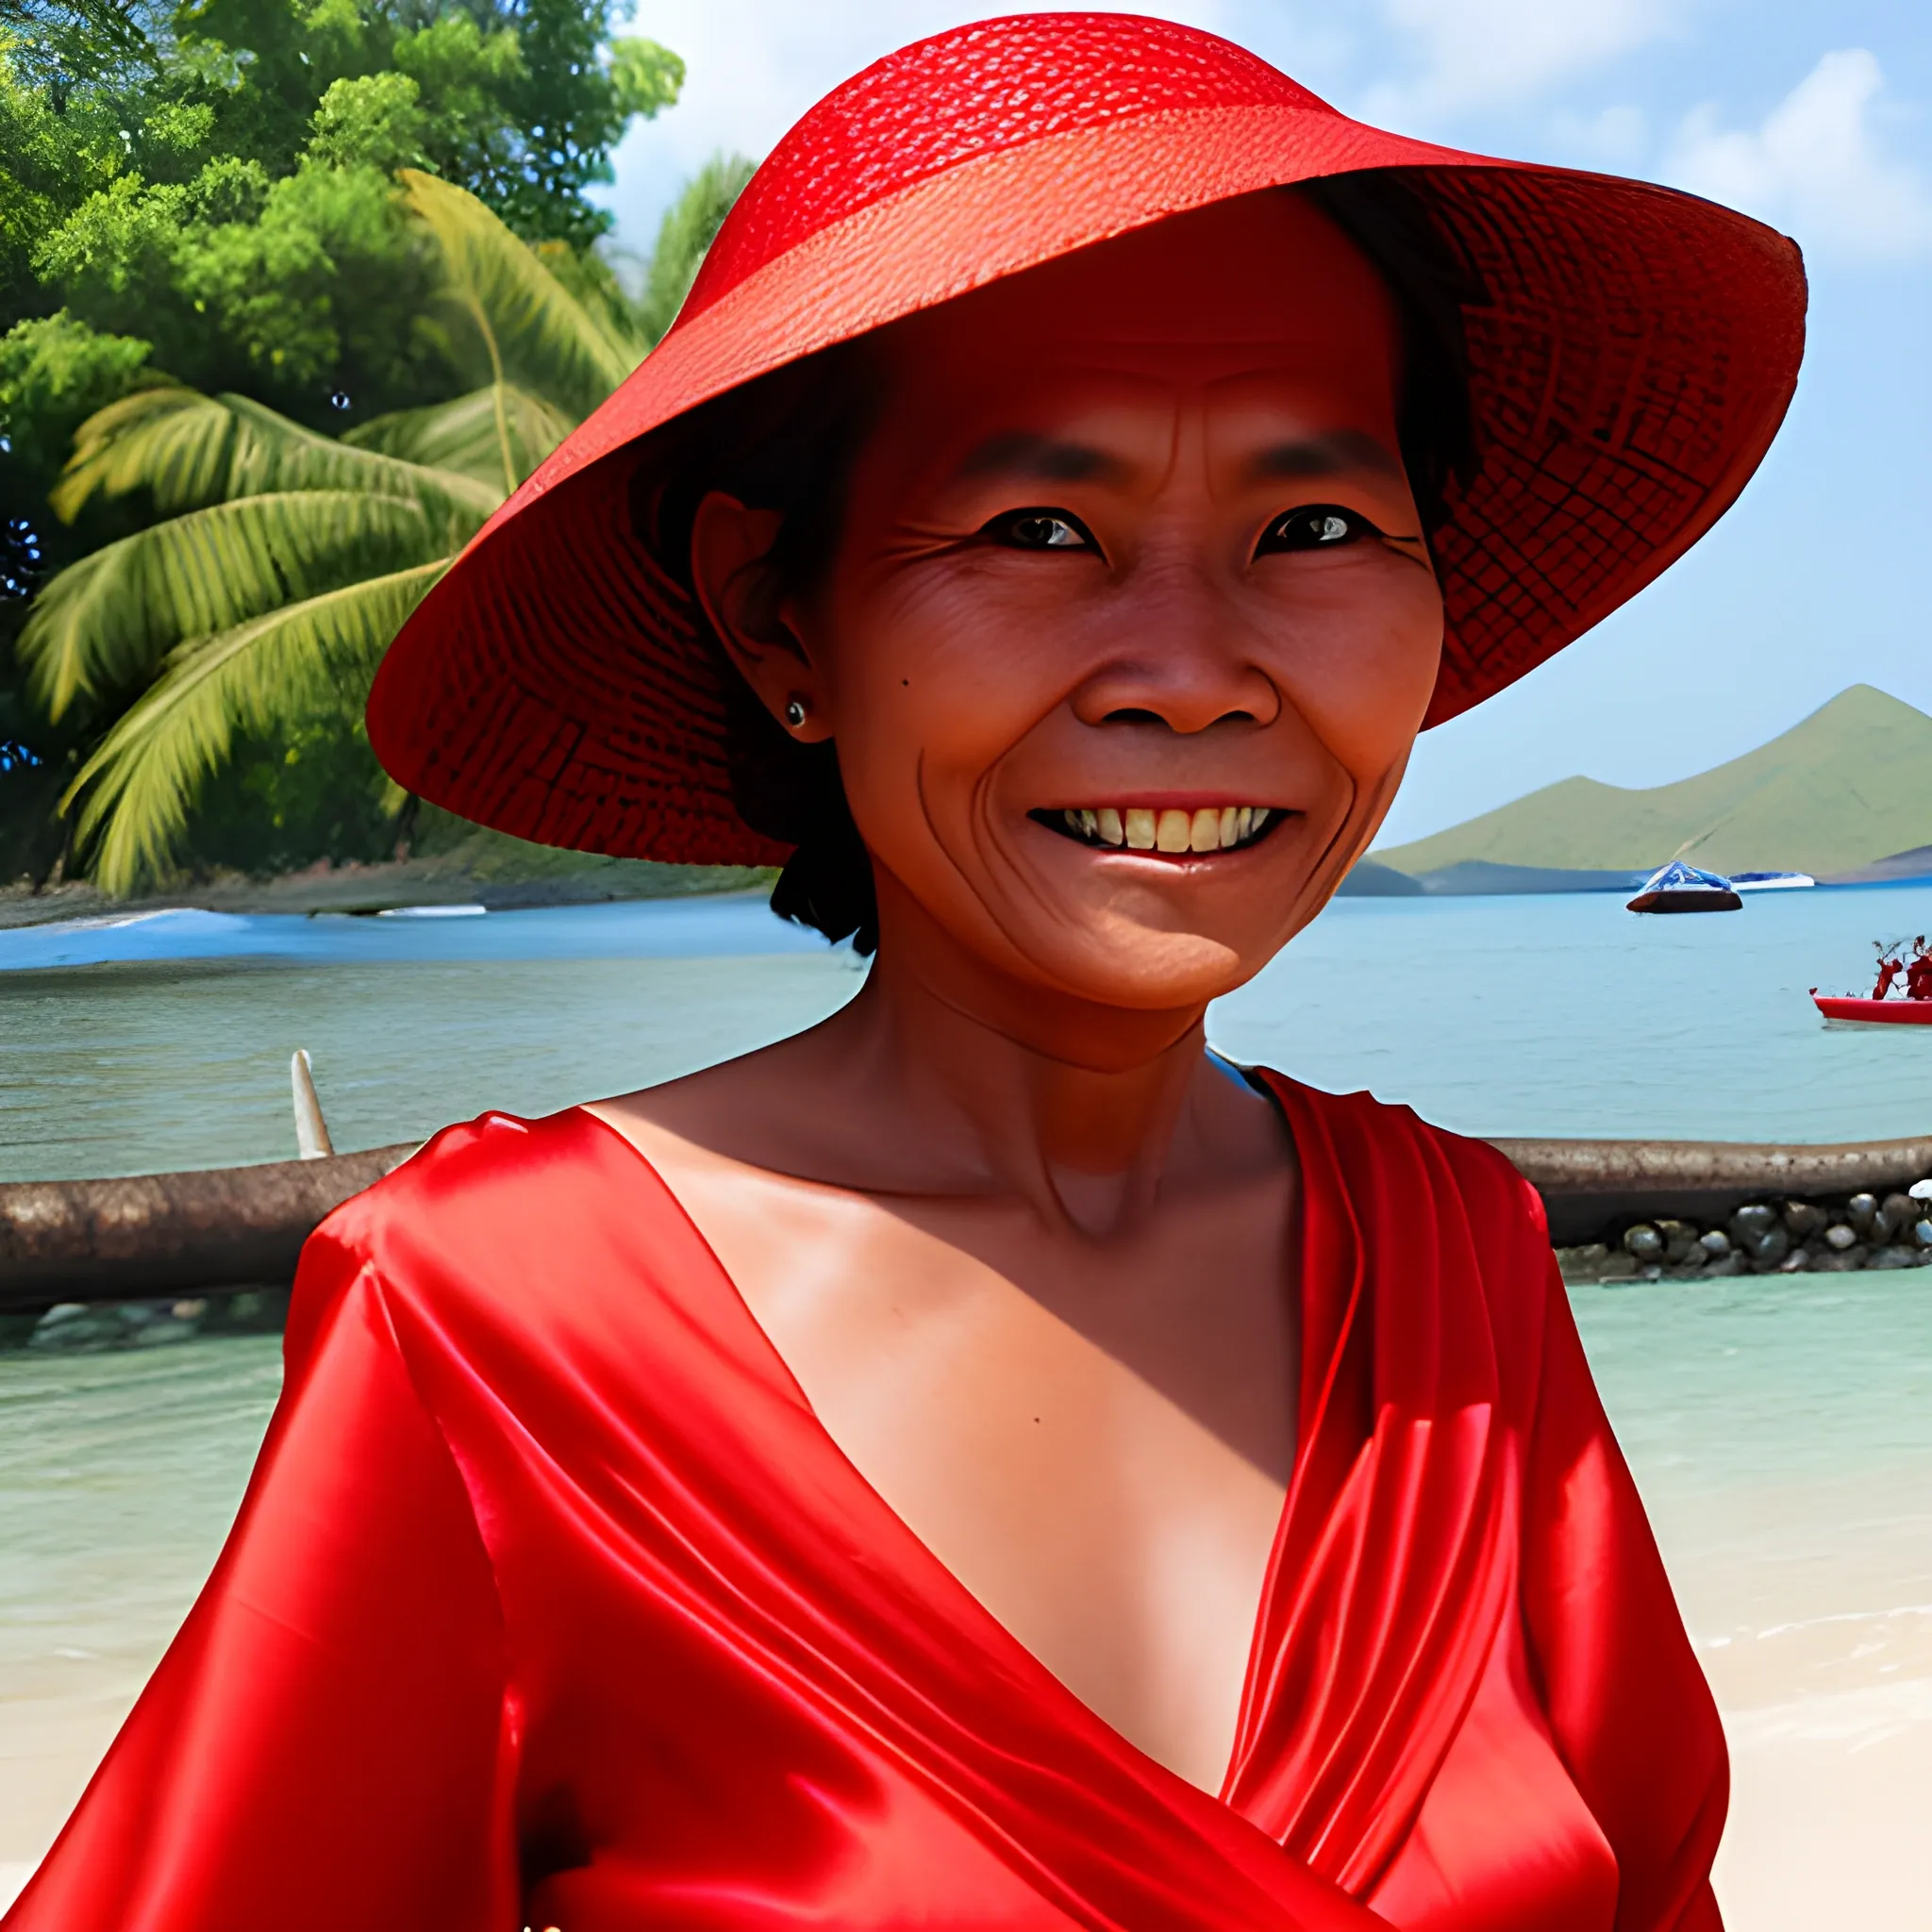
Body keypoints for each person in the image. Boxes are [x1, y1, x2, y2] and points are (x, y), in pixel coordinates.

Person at [6, 16, 1804, 1932]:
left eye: (1315, 526)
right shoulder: (507, 1330)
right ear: (779, 610)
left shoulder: (1461, 1270)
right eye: (1040, 527)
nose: (1190, 668)